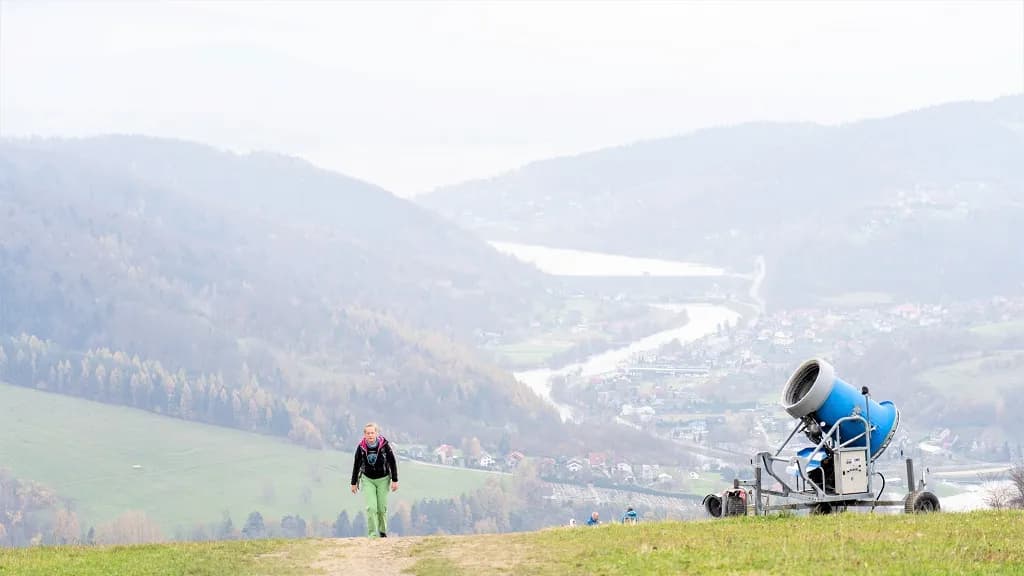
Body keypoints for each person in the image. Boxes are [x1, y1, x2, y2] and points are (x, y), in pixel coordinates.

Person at [350, 422, 398, 538]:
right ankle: (372, 535)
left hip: (383, 479)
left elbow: (392, 461)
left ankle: (382, 531)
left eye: (372, 433)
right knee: (371, 508)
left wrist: (395, 480)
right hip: (368, 480)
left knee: (381, 508)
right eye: (368, 433)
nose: (370, 435)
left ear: (376, 433)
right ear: (364, 435)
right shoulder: (361, 447)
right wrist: (353, 483)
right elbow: (356, 465)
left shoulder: (384, 445)